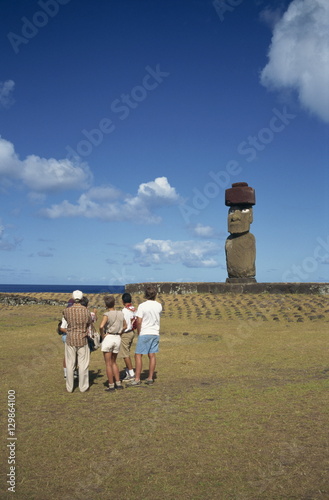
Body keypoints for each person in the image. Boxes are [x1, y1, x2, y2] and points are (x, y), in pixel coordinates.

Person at [126, 285, 162, 387]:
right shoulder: (159, 305)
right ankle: (150, 377)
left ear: (146, 295)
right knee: (152, 355)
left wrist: (139, 332)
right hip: (155, 332)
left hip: (145, 332)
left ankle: (137, 379)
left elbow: (139, 321)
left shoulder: (142, 306)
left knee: (138, 355)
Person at [63, 290, 92, 393]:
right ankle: (83, 387)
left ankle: (69, 387)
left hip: (70, 338)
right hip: (82, 338)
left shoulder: (67, 310)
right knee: (83, 364)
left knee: (70, 363)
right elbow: (89, 322)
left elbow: (66, 321)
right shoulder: (86, 311)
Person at [99, 295, 127, 392]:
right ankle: (118, 383)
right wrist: (120, 332)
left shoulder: (106, 314)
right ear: (114, 303)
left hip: (109, 336)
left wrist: (102, 335)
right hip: (117, 337)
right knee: (114, 362)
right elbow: (125, 325)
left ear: (106, 304)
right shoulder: (120, 313)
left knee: (108, 363)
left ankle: (111, 385)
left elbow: (101, 326)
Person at [118, 292, 136, 381]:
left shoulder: (124, 311)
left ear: (122, 301)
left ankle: (131, 373)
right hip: (132, 332)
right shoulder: (133, 309)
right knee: (127, 352)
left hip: (126, 333)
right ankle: (128, 371)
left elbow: (124, 324)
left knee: (125, 354)